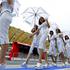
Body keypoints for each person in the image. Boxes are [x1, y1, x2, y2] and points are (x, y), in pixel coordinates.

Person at [0, 0, 19, 69]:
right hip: (4, 14)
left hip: (6, 14)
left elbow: (11, 5)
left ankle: (2, 62)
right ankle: (2, 61)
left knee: (3, 36)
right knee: (2, 36)